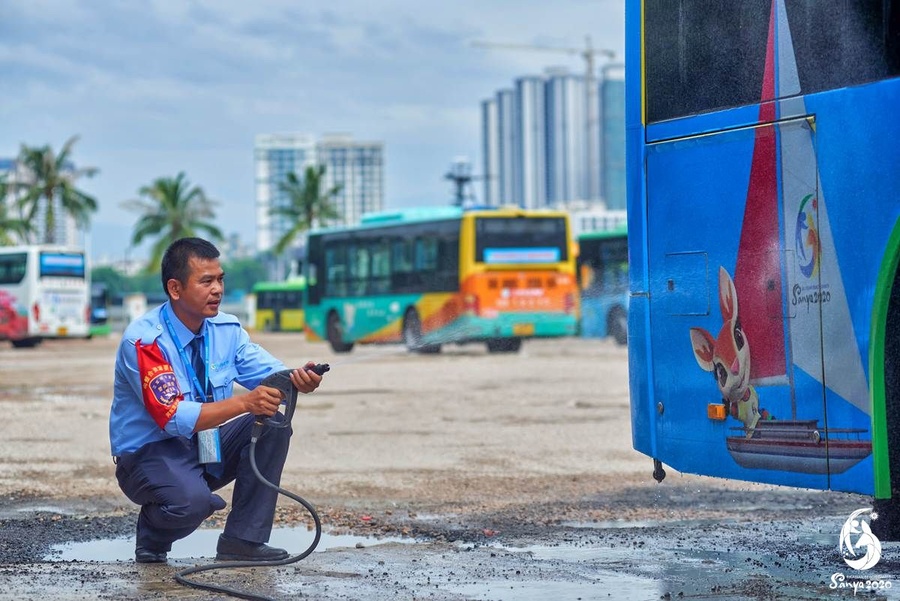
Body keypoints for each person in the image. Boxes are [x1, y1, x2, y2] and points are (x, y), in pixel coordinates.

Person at [109, 237, 323, 564]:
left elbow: (271, 375)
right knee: (192, 504)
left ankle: (243, 541)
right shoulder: (145, 342)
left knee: (274, 424)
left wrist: (299, 379)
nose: (218, 289)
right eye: (206, 281)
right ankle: (153, 531)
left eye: (220, 279)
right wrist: (245, 403)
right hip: (149, 454)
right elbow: (172, 417)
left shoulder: (226, 329)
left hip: (203, 442)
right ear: (175, 288)